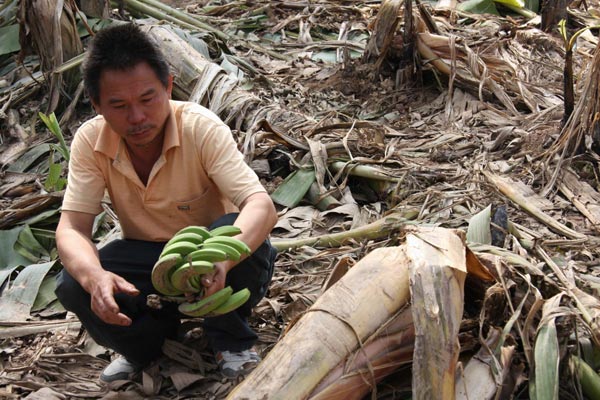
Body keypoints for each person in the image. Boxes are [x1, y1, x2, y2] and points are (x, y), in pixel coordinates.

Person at [54, 22, 278, 382]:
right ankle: (147, 348)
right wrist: (94, 277)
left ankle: (232, 340)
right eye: (119, 106)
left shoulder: (200, 127)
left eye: (148, 99)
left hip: (222, 261)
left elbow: (260, 205)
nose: (137, 117)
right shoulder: (90, 141)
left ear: (169, 86)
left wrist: (224, 257)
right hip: (150, 261)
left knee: (225, 232)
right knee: (72, 282)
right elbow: (72, 228)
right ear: (97, 105)